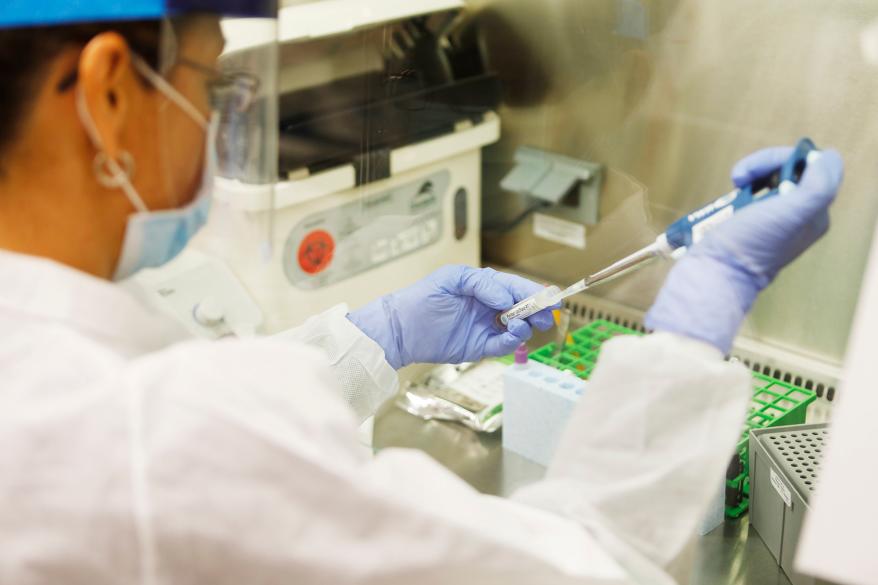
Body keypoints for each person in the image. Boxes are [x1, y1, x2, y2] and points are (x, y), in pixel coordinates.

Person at [0, 2, 844, 584]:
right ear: (110, 93)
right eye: (213, 84)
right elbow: (592, 562)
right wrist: (696, 324)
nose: (216, 121)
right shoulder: (145, 436)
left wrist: (378, 335)